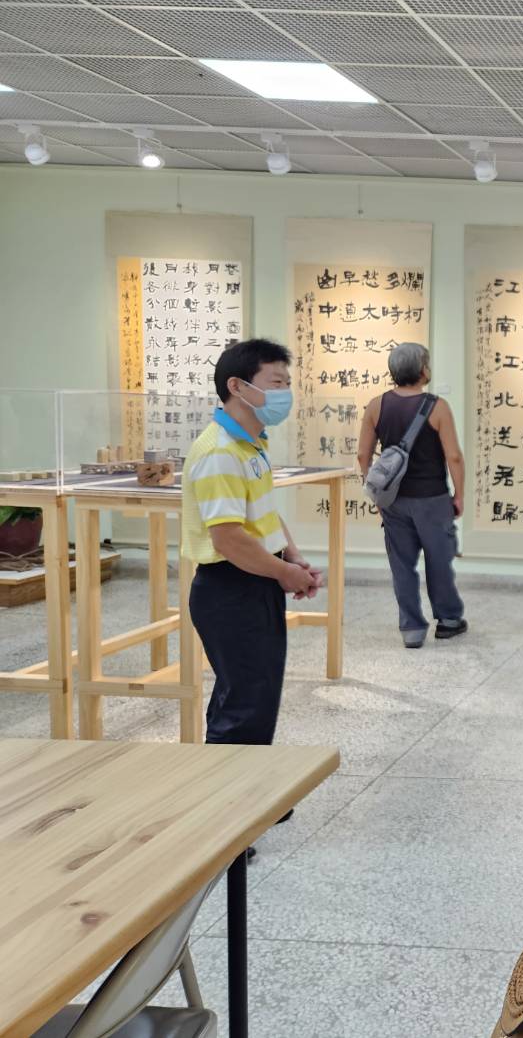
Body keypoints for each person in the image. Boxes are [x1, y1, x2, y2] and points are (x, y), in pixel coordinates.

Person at [182, 339, 321, 854]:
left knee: (257, 693)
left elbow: (262, 514)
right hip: (229, 587)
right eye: (276, 383)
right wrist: (282, 575)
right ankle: (225, 820)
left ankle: (250, 790)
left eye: (288, 382)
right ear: (237, 387)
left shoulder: (251, 443)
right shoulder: (219, 451)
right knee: (242, 702)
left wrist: (291, 558)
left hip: (254, 580)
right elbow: (229, 539)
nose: (285, 392)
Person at [356, 342, 467, 649]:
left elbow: (363, 454)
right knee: (439, 560)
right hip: (432, 499)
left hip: (393, 501)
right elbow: (454, 457)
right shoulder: (437, 407)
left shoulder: (376, 405)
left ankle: (412, 630)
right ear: (422, 370)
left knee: (401, 564)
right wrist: (459, 495)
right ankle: (448, 620)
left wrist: (375, 491)